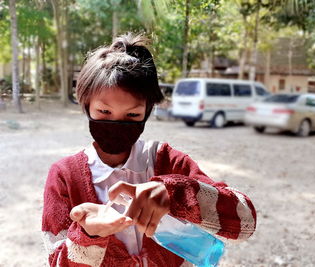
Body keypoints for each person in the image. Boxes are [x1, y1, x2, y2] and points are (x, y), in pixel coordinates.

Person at [42, 33, 257, 267]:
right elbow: (57, 262)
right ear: (87, 106)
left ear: (146, 113)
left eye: (132, 115)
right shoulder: (65, 176)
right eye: (104, 112)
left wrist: (175, 194)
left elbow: (245, 223)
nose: (117, 123)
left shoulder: (168, 161)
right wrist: (89, 235)